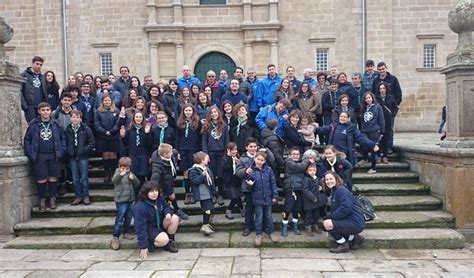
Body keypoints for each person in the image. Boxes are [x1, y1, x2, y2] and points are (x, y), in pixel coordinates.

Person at [23, 102, 65, 212]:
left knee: (53, 177)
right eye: (43, 110)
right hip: (39, 156)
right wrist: (30, 153)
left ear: (51, 111)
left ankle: (52, 199)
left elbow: (63, 139)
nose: (45, 112)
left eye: (47, 110)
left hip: (54, 155)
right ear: (39, 111)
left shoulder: (56, 124)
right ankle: (41, 200)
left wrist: (61, 151)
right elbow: (27, 140)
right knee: (41, 178)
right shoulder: (33, 125)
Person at [322, 171, 365, 253]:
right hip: (350, 220)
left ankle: (343, 245)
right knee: (329, 228)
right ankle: (356, 238)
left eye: (331, 179)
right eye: (326, 179)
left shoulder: (341, 190)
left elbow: (346, 208)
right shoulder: (335, 190)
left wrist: (332, 216)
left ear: (336, 179)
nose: (328, 181)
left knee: (328, 224)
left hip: (355, 221)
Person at [134, 181, 179, 257]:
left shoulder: (159, 200)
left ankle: (171, 241)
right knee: (163, 239)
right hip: (150, 228)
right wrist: (143, 246)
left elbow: (166, 207)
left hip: (160, 223)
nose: (154, 193)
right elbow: (140, 228)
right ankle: (152, 243)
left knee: (174, 218)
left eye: (156, 191)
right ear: (146, 193)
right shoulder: (140, 207)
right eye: (151, 191)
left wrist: (167, 213)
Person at [244, 151, 279, 246]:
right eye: (258, 159)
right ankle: (258, 234)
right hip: (257, 198)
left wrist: (275, 195)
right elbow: (248, 186)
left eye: (262, 160)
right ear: (254, 159)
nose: (259, 161)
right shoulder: (251, 171)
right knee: (259, 217)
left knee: (269, 216)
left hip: (268, 198)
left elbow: (273, 183)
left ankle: (271, 232)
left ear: (265, 161)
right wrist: (250, 185)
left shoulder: (269, 170)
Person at [150, 143, 189, 220]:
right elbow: (155, 179)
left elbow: (175, 151)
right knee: (165, 199)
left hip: (169, 180)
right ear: (165, 154)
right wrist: (156, 190)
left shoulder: (172, 154)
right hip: (161, 184)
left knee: (172, 196)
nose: (172, 153)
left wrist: (177, 154)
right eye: (170, 152)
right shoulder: (157, 165)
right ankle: (168, 213)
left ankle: (177, 209)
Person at [281, 147, 314, 237]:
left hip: (300, 189)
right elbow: (297, 168)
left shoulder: (302, 163)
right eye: (294, 154)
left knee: (297, 208)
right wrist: (307, 161)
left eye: (297, 154)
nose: (296, 156)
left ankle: (294, 224)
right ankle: (284, 225)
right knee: (287, 208)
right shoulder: (289, 162)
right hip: (291, 188)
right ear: (290, 155)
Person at [201, 106, 229, 206]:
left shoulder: (224, 126)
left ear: (218, 113)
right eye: (211, 112)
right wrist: (205, 154)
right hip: (210, 153)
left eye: (215, 112)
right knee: (211, 175)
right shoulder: (206, 126)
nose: (213, 114)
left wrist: (226, 152)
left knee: (220, 175)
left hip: (221, 153)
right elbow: (204, 141)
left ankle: (220, 194)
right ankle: (212, 194)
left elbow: (226, 140)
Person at [66, 110, 95, 206]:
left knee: (84, 177)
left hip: (83, 156)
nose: (75, 119)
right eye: (73, 117)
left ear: (80, 118)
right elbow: (65, 142)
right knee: (75, 178)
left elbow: (91, 142)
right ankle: (78, 196)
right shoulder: (68, 129)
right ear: (70, 118)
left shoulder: (86, 129)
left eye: (77, 117)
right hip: (73, 157)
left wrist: (83, 150)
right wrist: (69, 151)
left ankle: (85, 195)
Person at [111, 157, 140, 250]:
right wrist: (121, 174)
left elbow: (137, 184)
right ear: (119, 167)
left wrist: (133, 178)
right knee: (120, 218)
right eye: (123, 168)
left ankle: (125, 232)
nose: (126, 170)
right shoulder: (117, 173)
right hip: (121, 200)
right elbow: (114, 180)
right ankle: (115, 237)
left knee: (129, 217)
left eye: (127, 168)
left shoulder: (130, 174)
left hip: (130, 199)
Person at [176, 104, 202, 204]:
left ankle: (195, 193)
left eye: (190, 110)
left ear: (193, 111)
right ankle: (187, 193)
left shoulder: (197, 123)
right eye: (186, 110)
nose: (188, 112)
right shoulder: (179, 123)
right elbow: (177, 138)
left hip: (194, 150)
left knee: (193, 172)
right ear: (183, 112)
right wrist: (177, 151)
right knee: (186, 172)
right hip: (183, 150)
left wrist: (200, 151)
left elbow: (200, 137)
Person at [120, 111, 152, 188]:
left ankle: (142, 195)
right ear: (134, 118)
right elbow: (126, 144)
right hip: (133, 155)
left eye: (140, 117)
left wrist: (147, 134)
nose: (138, 118)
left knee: (142, 176)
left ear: (143, 118)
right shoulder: (129, 130)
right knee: (134, 176)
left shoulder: (146, 129)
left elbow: (149, 144)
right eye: (137, 117)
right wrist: (123, 136)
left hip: (143, 156)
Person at [188, 152, 217, 236]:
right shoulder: (193, 170)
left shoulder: (206, 168)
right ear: (202, 160)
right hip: (202, 194)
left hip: (208, 192)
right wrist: (202, 175)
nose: (209, 160)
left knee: (209, 209)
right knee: (207, 208)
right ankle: (205, 225)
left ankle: (206, 224)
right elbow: (195, 181)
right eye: (207, 158)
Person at [94, 94, 120, 184]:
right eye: (105, 100)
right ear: (102, 102)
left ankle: (113, 174)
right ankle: (106, 174)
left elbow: (118, 123)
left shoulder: (116, 110)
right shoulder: (98, 111)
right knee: (105, 155)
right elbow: (96, 124)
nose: (107, 102)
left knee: (113, 155)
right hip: (102, 136)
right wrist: (104, 132)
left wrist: (112, 131)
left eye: (109, 100)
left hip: (114, 136)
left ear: (111, 101)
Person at [358, 91, 385, 174]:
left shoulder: (377, 107)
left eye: (369, 97)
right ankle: (365, 158)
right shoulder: (363, 107)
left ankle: (373, 167)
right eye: (366, 98)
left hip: (374, 130)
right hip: (364, 130)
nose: (368, 99)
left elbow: (381, 119)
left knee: (374, 149)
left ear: (372, 98)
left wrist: (382, 132)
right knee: (364, 146)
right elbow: (361, 119)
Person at [376, 82, 398, 163]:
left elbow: (395, 108)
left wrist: (392, 115)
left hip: (388, 121)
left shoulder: (391, 97)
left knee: (386, 138)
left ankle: (385, 156)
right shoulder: (376, 98)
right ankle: (377, 156)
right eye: (380, 88)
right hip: (378, 121)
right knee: (378, 139)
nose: (382, 90)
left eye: (383, 88)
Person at [21, 56, 48, 123]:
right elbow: (20, 91)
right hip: (30, 106)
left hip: (41, 106)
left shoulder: (42, 77)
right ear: (32, 63)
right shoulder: (24, 75)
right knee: (32, 125)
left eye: (41, 65)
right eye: (37, 64)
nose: (39, 66)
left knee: (41, 125)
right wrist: (25, 106)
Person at [301, 163, 326, 236]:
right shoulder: (306, 179)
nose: (312, 172)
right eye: (310, 170)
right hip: (309, 201)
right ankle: (308, 227)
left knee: (316, 214)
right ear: (307, 171)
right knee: (308, 215)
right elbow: (305, 190)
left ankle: (315, 225)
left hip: (317, 200)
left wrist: (321, 188)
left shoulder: (317, 178)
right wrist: (312, 197)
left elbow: (320, 187)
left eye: (314, 170)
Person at [222, 142, 243, 220]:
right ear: (228, 150)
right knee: (235, 197)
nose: (234, 151)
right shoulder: (225, 159)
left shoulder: (238, 157)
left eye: (235, 149)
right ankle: (229, 210)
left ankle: (242, 209)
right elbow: (226, 168)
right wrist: (229, 157)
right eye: (232, 150)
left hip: (237, 180)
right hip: (229, 181)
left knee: (238, 197)